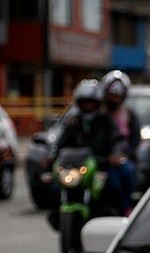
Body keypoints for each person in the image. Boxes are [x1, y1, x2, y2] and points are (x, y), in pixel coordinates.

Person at [53, 79, 127, 214]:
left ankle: (121, 214)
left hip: (101, 166)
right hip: (76, 168)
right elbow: (60, 144)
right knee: (54, 186)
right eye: (84, 102)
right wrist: (50, 159)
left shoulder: (106, 120)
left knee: (114, 185)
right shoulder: (72, 122)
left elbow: (117, 139)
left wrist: (115, 155)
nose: (88, 106)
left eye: (91, 103)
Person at [101, 70, 141, 214]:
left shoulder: (129, 115)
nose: (114, 98)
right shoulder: (99, 114)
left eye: (117, 95)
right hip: (100, 158)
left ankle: (126, 207)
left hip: (122, 160)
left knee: (125, 175)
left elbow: (135, 141)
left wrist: (124, 156)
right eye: (112, 94)